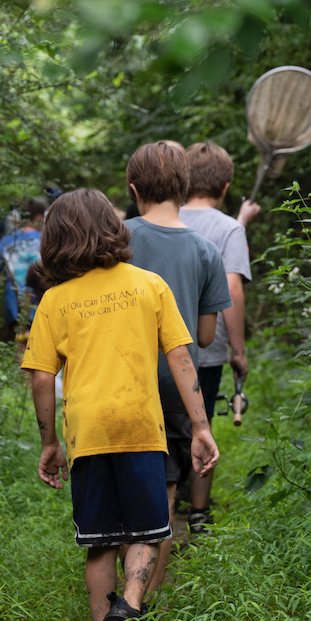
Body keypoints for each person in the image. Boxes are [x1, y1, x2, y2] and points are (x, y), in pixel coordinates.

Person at [20, 188, 219, 621]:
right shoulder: (149, 285)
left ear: (57, 239)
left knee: (98, 543)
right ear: (114, 227)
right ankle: (129, 606)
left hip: (89, 433)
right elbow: (179, 357)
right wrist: (199, 425)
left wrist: (49, 442)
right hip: (140, 428)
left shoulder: (54, 300)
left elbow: (42, 377)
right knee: (151, 532)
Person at [124, 140, 231, 595]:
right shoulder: (206, 251)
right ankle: (143, 606)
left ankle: (111, 603)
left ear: (132, 190)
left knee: (120, 499)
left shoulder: (117, 239)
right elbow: (204, 338)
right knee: (164, 503)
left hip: (120, 383)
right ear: (185, 187)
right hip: (175, 392)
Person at [179, 141, 255, 534]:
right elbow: (233, 289)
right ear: (225, 187)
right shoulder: (229, 228)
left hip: (159, 346)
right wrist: (238, 352)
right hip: (206, 349)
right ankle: (198, 511)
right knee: (202, 420)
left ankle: (166, 491)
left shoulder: (165, 217)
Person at [0, 197, 48, 334]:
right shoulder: (47, 242)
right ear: (38, 217)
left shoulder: (7, 241)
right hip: (43, 303)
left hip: (13, 300)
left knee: (19, 343)